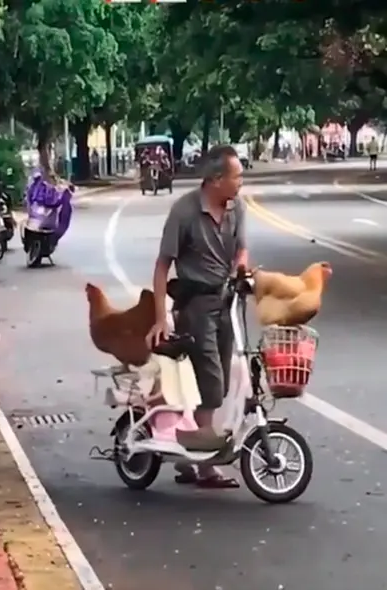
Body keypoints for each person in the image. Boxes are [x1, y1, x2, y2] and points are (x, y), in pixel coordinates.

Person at [146, 144, 247, 489]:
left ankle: (193, 455)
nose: (241, 184)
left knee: (219, 371)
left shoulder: (237, 208)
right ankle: (205, 464)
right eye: (237, 177)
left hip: (227, 302)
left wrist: (240, 269)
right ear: (215, 179)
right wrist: (161, 318)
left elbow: (242, 248)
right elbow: (162, 265)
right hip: (195, 304)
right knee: (212, 379)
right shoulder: (184, 211)